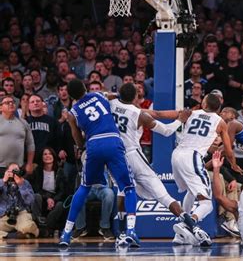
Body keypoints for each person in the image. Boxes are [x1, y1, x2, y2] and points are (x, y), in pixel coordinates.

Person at [109, 83, 211, 246]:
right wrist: (180, 120)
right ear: (136, 97)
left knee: (122, 192)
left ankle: (122, 233)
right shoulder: (139, 114)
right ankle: (194, 227)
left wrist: (113, 95)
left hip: (115, 157)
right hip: (133, 155)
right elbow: (166, 131)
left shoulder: (111, 104)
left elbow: (102, 94)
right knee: (163, 196)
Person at [59, 79, 139, 248]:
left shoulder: (73, 112)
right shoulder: (98, 95)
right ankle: (131, 231)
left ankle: (66, 234)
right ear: (84, 87)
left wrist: (81, 146)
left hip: (93, 144)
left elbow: (76, 136)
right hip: (112, 141)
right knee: (128, 187)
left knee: (84, 187)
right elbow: (120, 96)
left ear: (71, 96)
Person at [170, 93, 242, 246]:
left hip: (176, 155)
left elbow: (161, 114)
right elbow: (228, 151)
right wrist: (234, 164)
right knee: (207, 204)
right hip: (192, 157)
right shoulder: (220, 122)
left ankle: (180, 234)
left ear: (203, 104)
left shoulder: (192, 113)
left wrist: (145, 113)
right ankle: (189, 223)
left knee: (191, 190)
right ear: (219, 108)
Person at [29, 148, 68, 235]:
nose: (48, 156)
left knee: (60, 205)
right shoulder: (38, 171)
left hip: (55, 199)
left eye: (50, 154)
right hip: (42, 198)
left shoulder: (59, 171)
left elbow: (62, 191)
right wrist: (47, 198)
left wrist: (53, 199)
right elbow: (36, 188)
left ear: (53, 156)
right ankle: (38, 225)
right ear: (42, 157)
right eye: (45, 154)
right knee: (36, 196)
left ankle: (46, 227)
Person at [0, 163, 38, 238]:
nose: (13, 174)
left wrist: (21, 186)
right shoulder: (1, 182)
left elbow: (30, 201)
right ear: (6, 172)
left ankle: (24, 233)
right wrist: (3, 181)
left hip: (21, 213)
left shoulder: (25, 183)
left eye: (16, 171)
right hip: (4, 215)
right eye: (11, 171)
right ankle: (12, 236)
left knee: (28, 227)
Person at [0, 96, 34, 177]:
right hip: (0, 166)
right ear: (0, 107)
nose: (11, 104)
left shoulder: (23, 122)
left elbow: (30, 144)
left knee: (17, 189)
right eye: (7, 103)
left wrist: (29, 163)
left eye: (13, 102)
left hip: (18, 167)